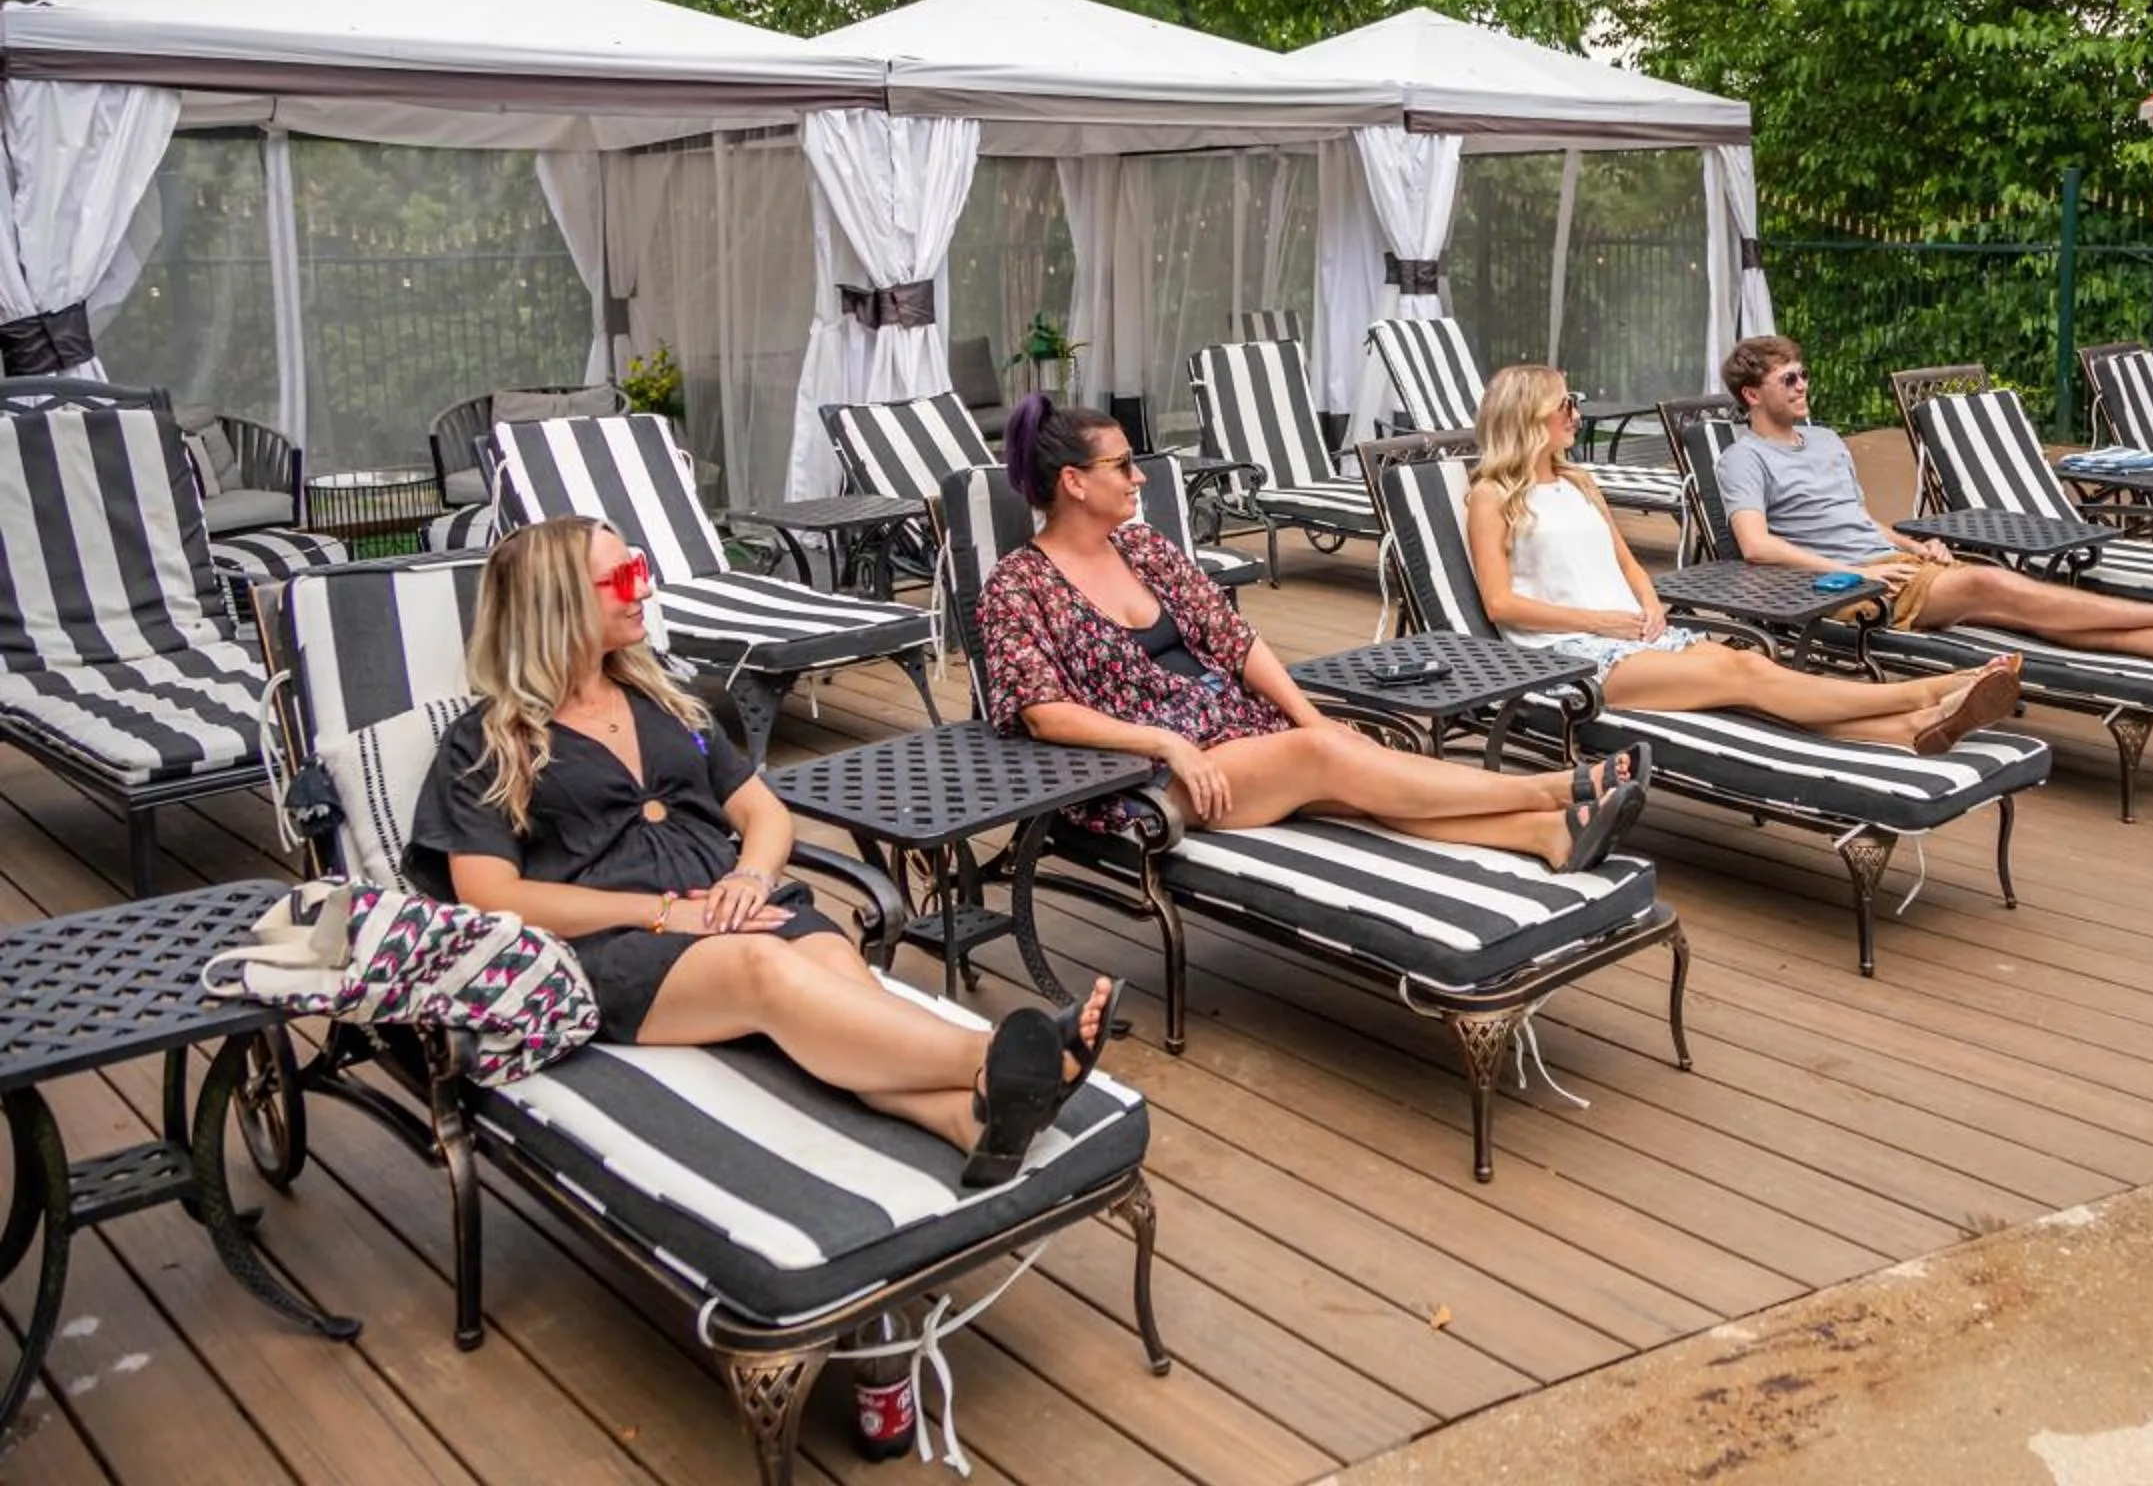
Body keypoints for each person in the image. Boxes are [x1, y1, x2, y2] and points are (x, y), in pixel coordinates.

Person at [407, 516, 1103, 1188]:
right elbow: (491, 895)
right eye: (623, 577)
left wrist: (750, 874)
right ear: (557, 604)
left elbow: (760, 810)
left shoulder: (670, 705)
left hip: (735, 907)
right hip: (613, 944)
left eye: (639, 569)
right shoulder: (489, 744)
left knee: (837, 971)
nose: (644, 589)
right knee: (761, 966)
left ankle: (967, 1119)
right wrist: (664, 914)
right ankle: (997, 1057)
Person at [977, 395, 1646, 869]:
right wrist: (1168, 744)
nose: (1138, 476)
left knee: (1360, 780)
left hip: (1237, 731)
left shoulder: (1143, 548)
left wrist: (1309, 716)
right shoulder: (1018, 585)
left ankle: (1547, 835)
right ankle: (1557, 787)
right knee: (1327, 762)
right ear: (1073, 482)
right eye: (1122, 465)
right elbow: (1042, 711)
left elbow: (1234, 639)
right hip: (1149, 773)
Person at [1467, 364, 2026, 751]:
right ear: (1528, 416)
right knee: (1744, 668)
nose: (1577, 412)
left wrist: (1650, 605)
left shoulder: (1579, 482)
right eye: (1566, 403)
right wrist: (1605, 621)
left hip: (1636, 635)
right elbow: (1500, 605)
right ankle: (1935, 690)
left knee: (1749, 683)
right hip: (1570, 661)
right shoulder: (1491, 497)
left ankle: (1914, 727)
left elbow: (1629, 563)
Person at [1713, 334, 2153, 672]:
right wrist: (1851, 573)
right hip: (1846, 590)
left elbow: (1859, 519)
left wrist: (1918, 544)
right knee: (1998, 585)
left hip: (1897, 567)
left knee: (2017, 608)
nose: (1802, 385)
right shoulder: (1745, 459)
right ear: (1752, 394)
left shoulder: (1828, 441)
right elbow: (1756, 547)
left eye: (1804, 374)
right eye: (1789, 379)